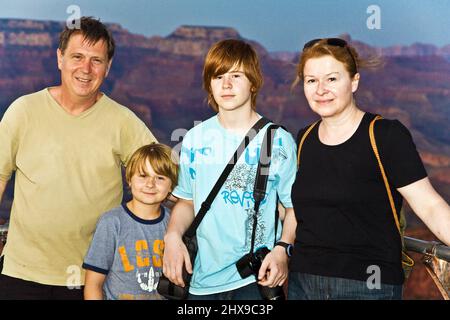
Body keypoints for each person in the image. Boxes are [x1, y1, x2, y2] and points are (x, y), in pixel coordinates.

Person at [0, 17, 157, 299]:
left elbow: (161, 176)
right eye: (77, 57)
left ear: (107, 67)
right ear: (60, 58)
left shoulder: (123, 122)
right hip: (20, 273)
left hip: (92, 278)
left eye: (96, 60)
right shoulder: (23, 111)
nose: (86, 69)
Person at [288, 38, 450, 300]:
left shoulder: (386, 136)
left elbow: (429, 206)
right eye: (311, 80)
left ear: (354, 82)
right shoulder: (303, 139)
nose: (320, 90)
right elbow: (297, 210)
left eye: (331, 79)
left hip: (369, 287)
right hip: (304, 284)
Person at [162, 39, 297, 299]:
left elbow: (293, 208)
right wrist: (172, 237)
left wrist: (282, 249)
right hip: (202, 281)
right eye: (218, 75)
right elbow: (187, 202)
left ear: (253, 82)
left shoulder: (277, 141)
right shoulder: (194, 138)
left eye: (236, 75)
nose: (226, 84)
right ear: (209, 84)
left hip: (255, 281)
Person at [83, 143, 178, 300]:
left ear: (171, 186)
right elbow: (93, 284)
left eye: (160, 178)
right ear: (129, 179)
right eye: (142, 175)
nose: (150, 184)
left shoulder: (175, 224)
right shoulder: (112, 223)